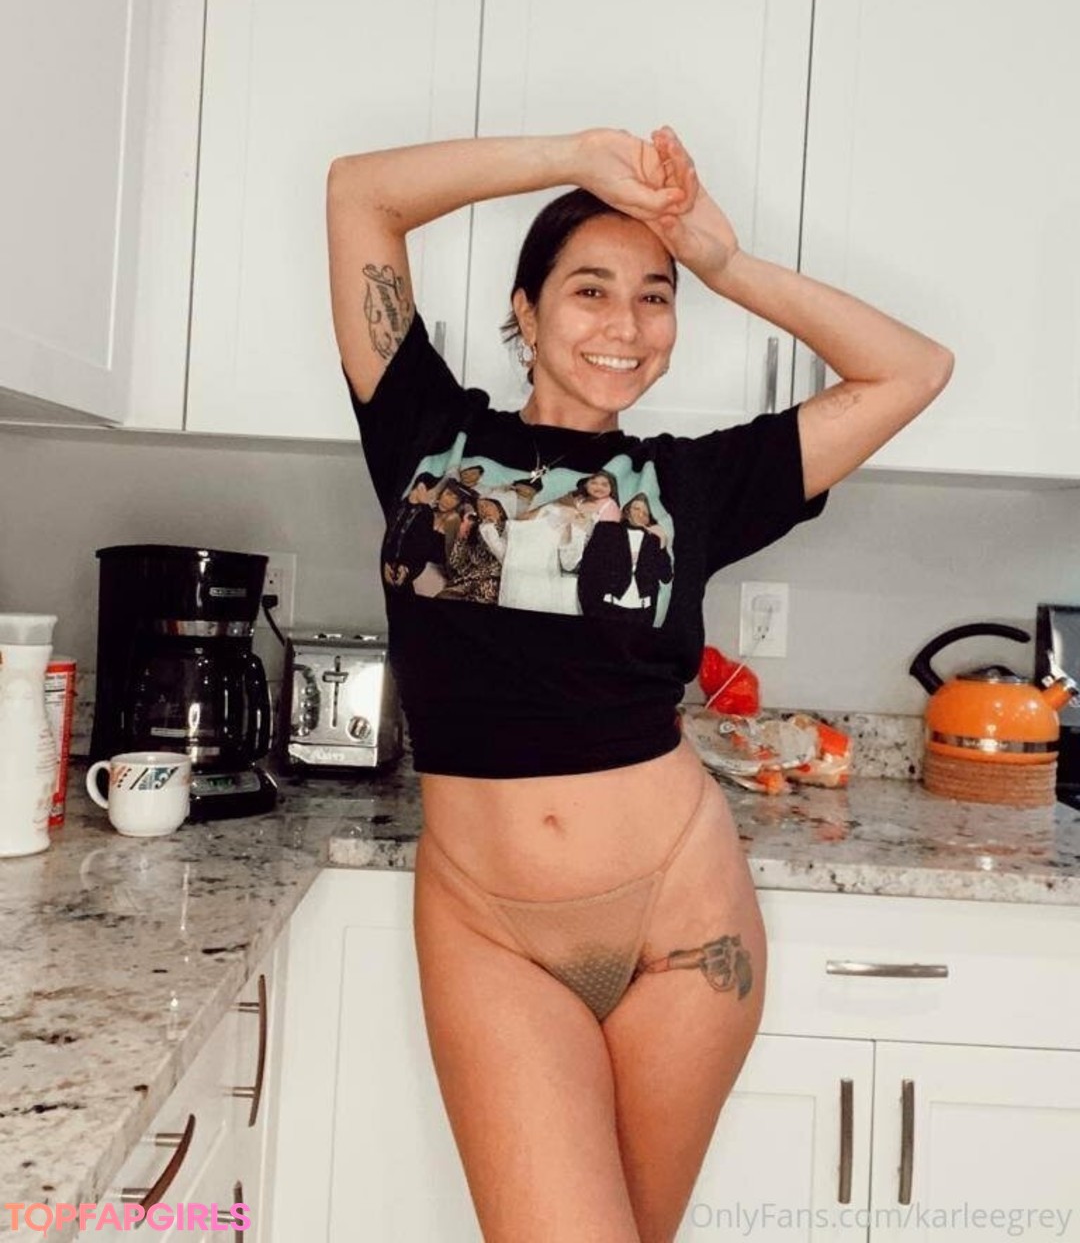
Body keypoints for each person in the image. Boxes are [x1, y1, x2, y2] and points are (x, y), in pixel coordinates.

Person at [327, 125, 952, 1243]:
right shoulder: (425, 434)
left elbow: (913, 369)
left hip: (681, 918)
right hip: (487, 926)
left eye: (654, 298)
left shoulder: (693, 484)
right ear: (525, 313)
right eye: (590, 290)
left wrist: (724, 261)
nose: (625, 324)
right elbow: (359, 193)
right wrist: (575, 155)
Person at [579, 492, 673, 625]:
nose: (641, 514)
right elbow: (587, 571)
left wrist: (662, 543)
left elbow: (666, 577)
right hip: (607, 609)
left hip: (642, 614)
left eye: (645, 513)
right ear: (627, 511)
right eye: (636, 508)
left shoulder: (654, 541)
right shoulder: (606, 530)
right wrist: (590, 610)